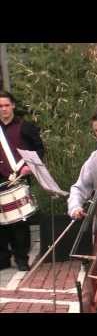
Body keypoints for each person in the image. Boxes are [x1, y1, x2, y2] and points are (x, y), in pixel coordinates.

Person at [0, 91, 44, 271]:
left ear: (13, 106)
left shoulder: (26, 127)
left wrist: (30, 167)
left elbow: (39, 150)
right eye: (0, 106)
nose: (3, 109)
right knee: (0, 223)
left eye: (6, 105)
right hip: (0, 180)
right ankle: (2, 258)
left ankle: (21, 258)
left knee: (19, 221)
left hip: (20, 179)